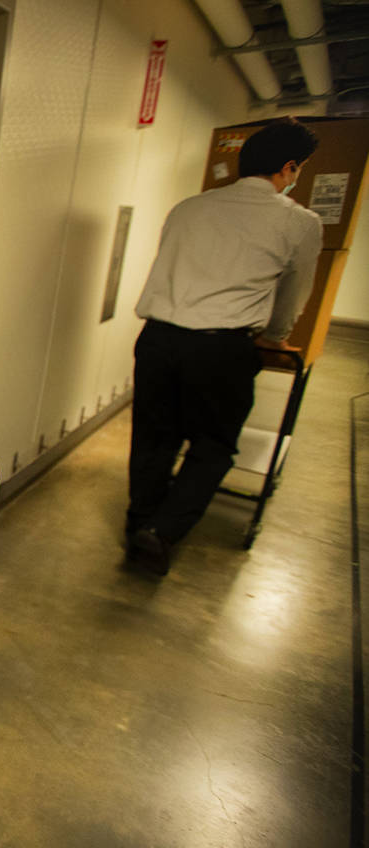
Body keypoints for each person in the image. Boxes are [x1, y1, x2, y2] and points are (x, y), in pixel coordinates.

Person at [125, 118, 321, 575]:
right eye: (298, 170)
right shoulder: (299, 222)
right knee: (213, 445)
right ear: (288, 168)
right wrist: (275, 336)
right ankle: (161, 531)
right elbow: (293, 293)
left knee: (154, 439)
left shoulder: (189, 207)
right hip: (221, 349)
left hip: (157, 339)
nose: (295, 179)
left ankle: (139, 524)